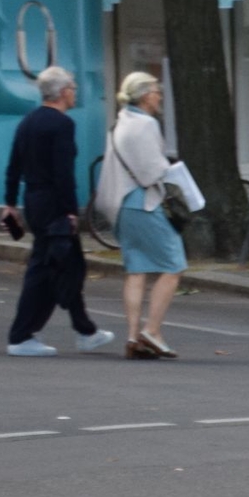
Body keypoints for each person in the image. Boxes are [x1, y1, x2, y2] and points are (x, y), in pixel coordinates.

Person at [1, 65, 116, 356]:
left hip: (34, 201)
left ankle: (84, 330)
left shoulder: (27, 122)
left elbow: (13, 165)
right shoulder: (62, 125)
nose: (75, 92)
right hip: (54, 205)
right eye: (73, 88)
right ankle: (22, 335)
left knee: (65, 265)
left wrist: (11, 203)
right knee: (48, 268)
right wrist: (70, 211)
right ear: (63, 92)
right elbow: (63, 171)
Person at [96, 71, 186, 359]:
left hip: (121, 204)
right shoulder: (147, 124)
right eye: (157, 91)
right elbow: (153, 171)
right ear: (146, 95)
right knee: (173, 265)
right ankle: (153, 330)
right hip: (142, 202)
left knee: (136, 271)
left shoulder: (120, 122)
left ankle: (133, 337)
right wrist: (173, 172)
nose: (160, 96)